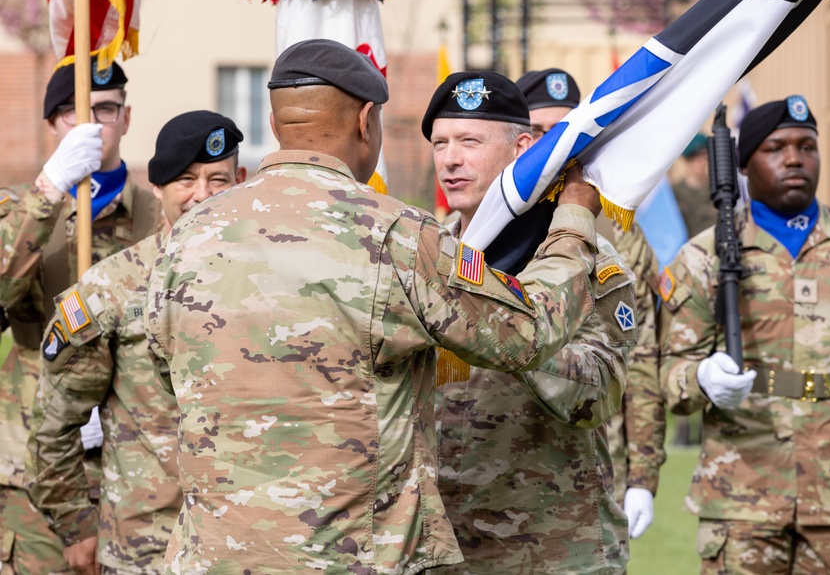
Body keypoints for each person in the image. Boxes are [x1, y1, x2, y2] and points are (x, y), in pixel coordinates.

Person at [144, 39, 605, 574]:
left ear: (274, 124)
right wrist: (573, 220)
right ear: (367, 121)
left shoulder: (188, 236)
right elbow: (527, 331)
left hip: (215, 557)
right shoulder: (395, 235)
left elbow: (166, 369)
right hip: (352, 558)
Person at [660, 96, 830, 574]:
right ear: (744, 165)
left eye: (807, 146)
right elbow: (669, 371)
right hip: (741, 494)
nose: (795, 158)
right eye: (775, 148)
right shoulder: (706, 257)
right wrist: (700, 378)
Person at [427, 70, 636, 573]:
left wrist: (509, 329)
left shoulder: (578, 257)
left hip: (555, 543)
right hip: (445, 546)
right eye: (440, 143)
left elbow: (598, 394)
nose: (451, 159)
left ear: (524, 148)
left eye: (469, 141)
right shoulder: (425, 252)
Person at [25, 112, 246, 575]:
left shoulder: (271, 284)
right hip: (146, 552)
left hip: (248, 550)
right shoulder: (112, 287)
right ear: (158, 186)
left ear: (241, 180)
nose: (202, 195)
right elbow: (52, 424)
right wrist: (76, 526)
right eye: (186, 180)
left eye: (217, 178)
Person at [0, 59, 159, 574]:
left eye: (106, 109)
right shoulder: (18, 213)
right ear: (52, 124)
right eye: (73, 112)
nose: (92, 124)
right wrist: (50, 189)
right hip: (30, 465)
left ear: (127, 118)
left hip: (135, 465)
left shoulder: (159, 217)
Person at [516, 68, 666, 541]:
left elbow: (641, 362)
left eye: (565, 133)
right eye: (541, 133)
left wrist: (643, 476)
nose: (555, 146)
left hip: (591, 460)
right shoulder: (472, 230)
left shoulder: (620, 233)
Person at [670, 132, 716, 447]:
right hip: (684, 284)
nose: (703, 165)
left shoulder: (720, 194)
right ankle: (686, 427)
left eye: (706, 159)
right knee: (685, 352)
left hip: (716, 281)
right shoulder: (672, 197)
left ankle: (711, 423)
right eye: (698, 159)